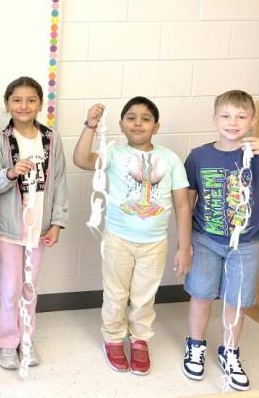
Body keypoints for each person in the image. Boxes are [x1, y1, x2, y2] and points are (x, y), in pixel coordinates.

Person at [182, 90, 259, 391]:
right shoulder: (199, 155)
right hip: (205, 240)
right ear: (214, 119)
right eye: (225, 115)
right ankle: (195, 345)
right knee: (200, 295)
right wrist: (184, 244)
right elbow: (186, 203)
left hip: (245, 245)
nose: (232, 122)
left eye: (241, 116)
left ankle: (229, 351)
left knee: (237, 303)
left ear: (253, 120)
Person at [73, 96, 192, 376]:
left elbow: (183, 204)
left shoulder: (170, 158)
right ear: (121, 124)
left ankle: (139, 340)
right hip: (118, 239)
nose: (138, 123)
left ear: (157, 126)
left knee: (144, 295)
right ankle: (113, 338)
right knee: (116, 293)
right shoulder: (114, 153)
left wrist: (184, 247)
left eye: (146, 118)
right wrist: (90, 125)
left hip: (155, 243)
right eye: (131, 118)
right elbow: (81, 160)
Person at [0, 76, 69, 369]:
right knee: (11, 287)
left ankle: (26, 340)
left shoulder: (51, 138)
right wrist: (9, 173)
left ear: (40, 104)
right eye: (17, 100)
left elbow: (59, 181)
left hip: (40, 227)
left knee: (30, 286)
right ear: (7, 104)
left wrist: (57, 222)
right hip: (9, 227)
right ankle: (7, 342)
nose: (24, 105)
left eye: (31, 99)